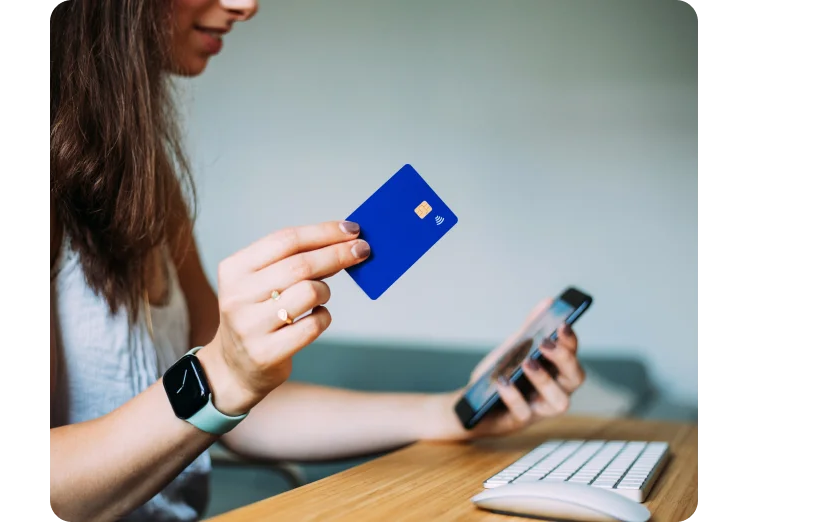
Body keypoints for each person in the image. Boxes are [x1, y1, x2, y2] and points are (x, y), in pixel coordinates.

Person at [46, 1, 587, 521]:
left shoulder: (147, 176)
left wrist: (450, 413)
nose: (246, 4)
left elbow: (240, 416)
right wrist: (221, 372)